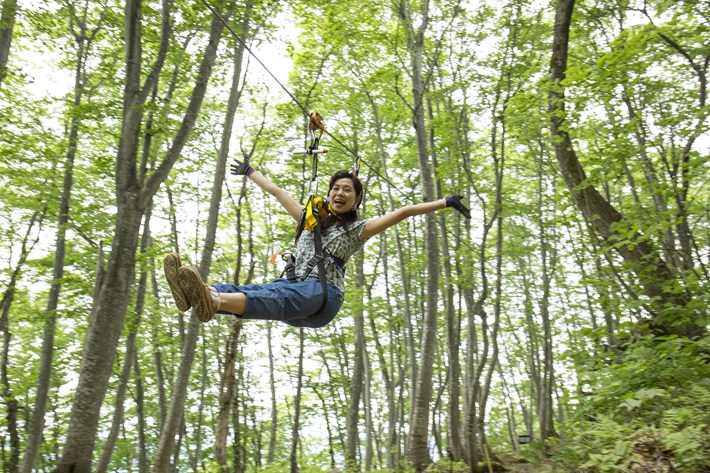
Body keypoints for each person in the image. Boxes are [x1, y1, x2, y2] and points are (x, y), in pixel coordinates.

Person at [164, 158, 471, 328]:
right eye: (335, 188)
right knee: (262, 290)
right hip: (297, 290)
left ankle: (211, 300)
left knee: (279, 295)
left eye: (347, 190)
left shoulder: (357, 230)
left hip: (322, 296)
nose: (340, 193)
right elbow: (278, 193)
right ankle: (201, 295)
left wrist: (444, 202)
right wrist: (250, 171)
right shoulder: (307, 221)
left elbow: (402, 212)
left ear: (356, 199)